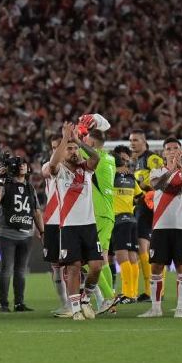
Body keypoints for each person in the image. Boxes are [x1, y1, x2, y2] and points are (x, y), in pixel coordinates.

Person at [47, 122, 103, 321]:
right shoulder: (59, 171)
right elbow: (52, 165)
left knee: (96, 265)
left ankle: (85, 299)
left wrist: (79, 140)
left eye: (75, 148)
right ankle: (75, 308)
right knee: (74, 267)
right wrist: (64, 139)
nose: (73, 151)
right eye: (69, 148)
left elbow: (95, 156)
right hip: (68, 227)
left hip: (89, 225)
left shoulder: (86, 169)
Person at [139, 137, 182, 318]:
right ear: (164, 153)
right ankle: (156, 309)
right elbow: (157, 186)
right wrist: (171, 169)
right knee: (156, 267)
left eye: (175, 148)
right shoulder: (156, 172)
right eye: (169, 149)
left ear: (181, 152)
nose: (172, 151)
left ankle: (180, 309)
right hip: (160, 227)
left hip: (181, 228)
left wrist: (179, 168)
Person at [0, 154, 42, 312]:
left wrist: (42, 230)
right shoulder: (5, 183)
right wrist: (0, 180)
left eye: (24, 163)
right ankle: (3, 304)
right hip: (7, 232)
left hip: (26, 233)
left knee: (20, 270)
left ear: (28, 167)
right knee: (7, 268)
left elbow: (36, 212)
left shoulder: (29, 187)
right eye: (18, 163)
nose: (21, 166)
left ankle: (19, 303)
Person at [79, 114, 116, 309]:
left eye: (87, 140)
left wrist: (78, 132)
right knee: (103, 257)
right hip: (108, 213)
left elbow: (74, 150)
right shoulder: (109, 158)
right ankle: (110, 300)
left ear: (92, 142)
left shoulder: (97, 157)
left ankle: (109, 297)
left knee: (88, 258)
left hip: (99, 214)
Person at [129, 129, 165, 302]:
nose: (132, 143)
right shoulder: (136, 162)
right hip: (141, 206)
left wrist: (142, 184)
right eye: (131, 140)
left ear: (144, 141)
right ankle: (151, 290)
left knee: (145, 246)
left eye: (135, 140)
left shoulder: (151, 158)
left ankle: (153, 290)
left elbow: (163, 175)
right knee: (142, 247)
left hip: (150, 206)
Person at [42, 137, 69, 317]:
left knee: (75, 264)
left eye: (57, 147)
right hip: (52, 221)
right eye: (52, 148)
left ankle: (96, 298)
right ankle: (65, 303)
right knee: (56, 265)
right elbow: (47, 171)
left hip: (70, 221)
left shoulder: (78, 167)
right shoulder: (48, 165)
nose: (54, 151)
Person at [111, 145, 142, 303]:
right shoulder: (131, 177)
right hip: (131, 219)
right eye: (121, 159)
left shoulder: (110, 176)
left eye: (125, 160)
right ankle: (133, 293)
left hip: (118, 220)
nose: (124, 163)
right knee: (132, 257)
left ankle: (127, 293)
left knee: (122, 257)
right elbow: (140, 196)